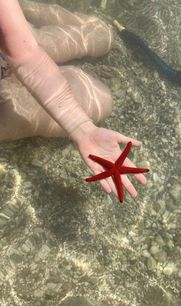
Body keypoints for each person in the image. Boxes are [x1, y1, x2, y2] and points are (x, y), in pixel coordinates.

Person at [0, 0, 148, 201]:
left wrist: (82, 128)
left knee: (101, 34)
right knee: (100, 100)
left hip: (7, 54)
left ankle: (26, 8)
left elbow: (28, 60)